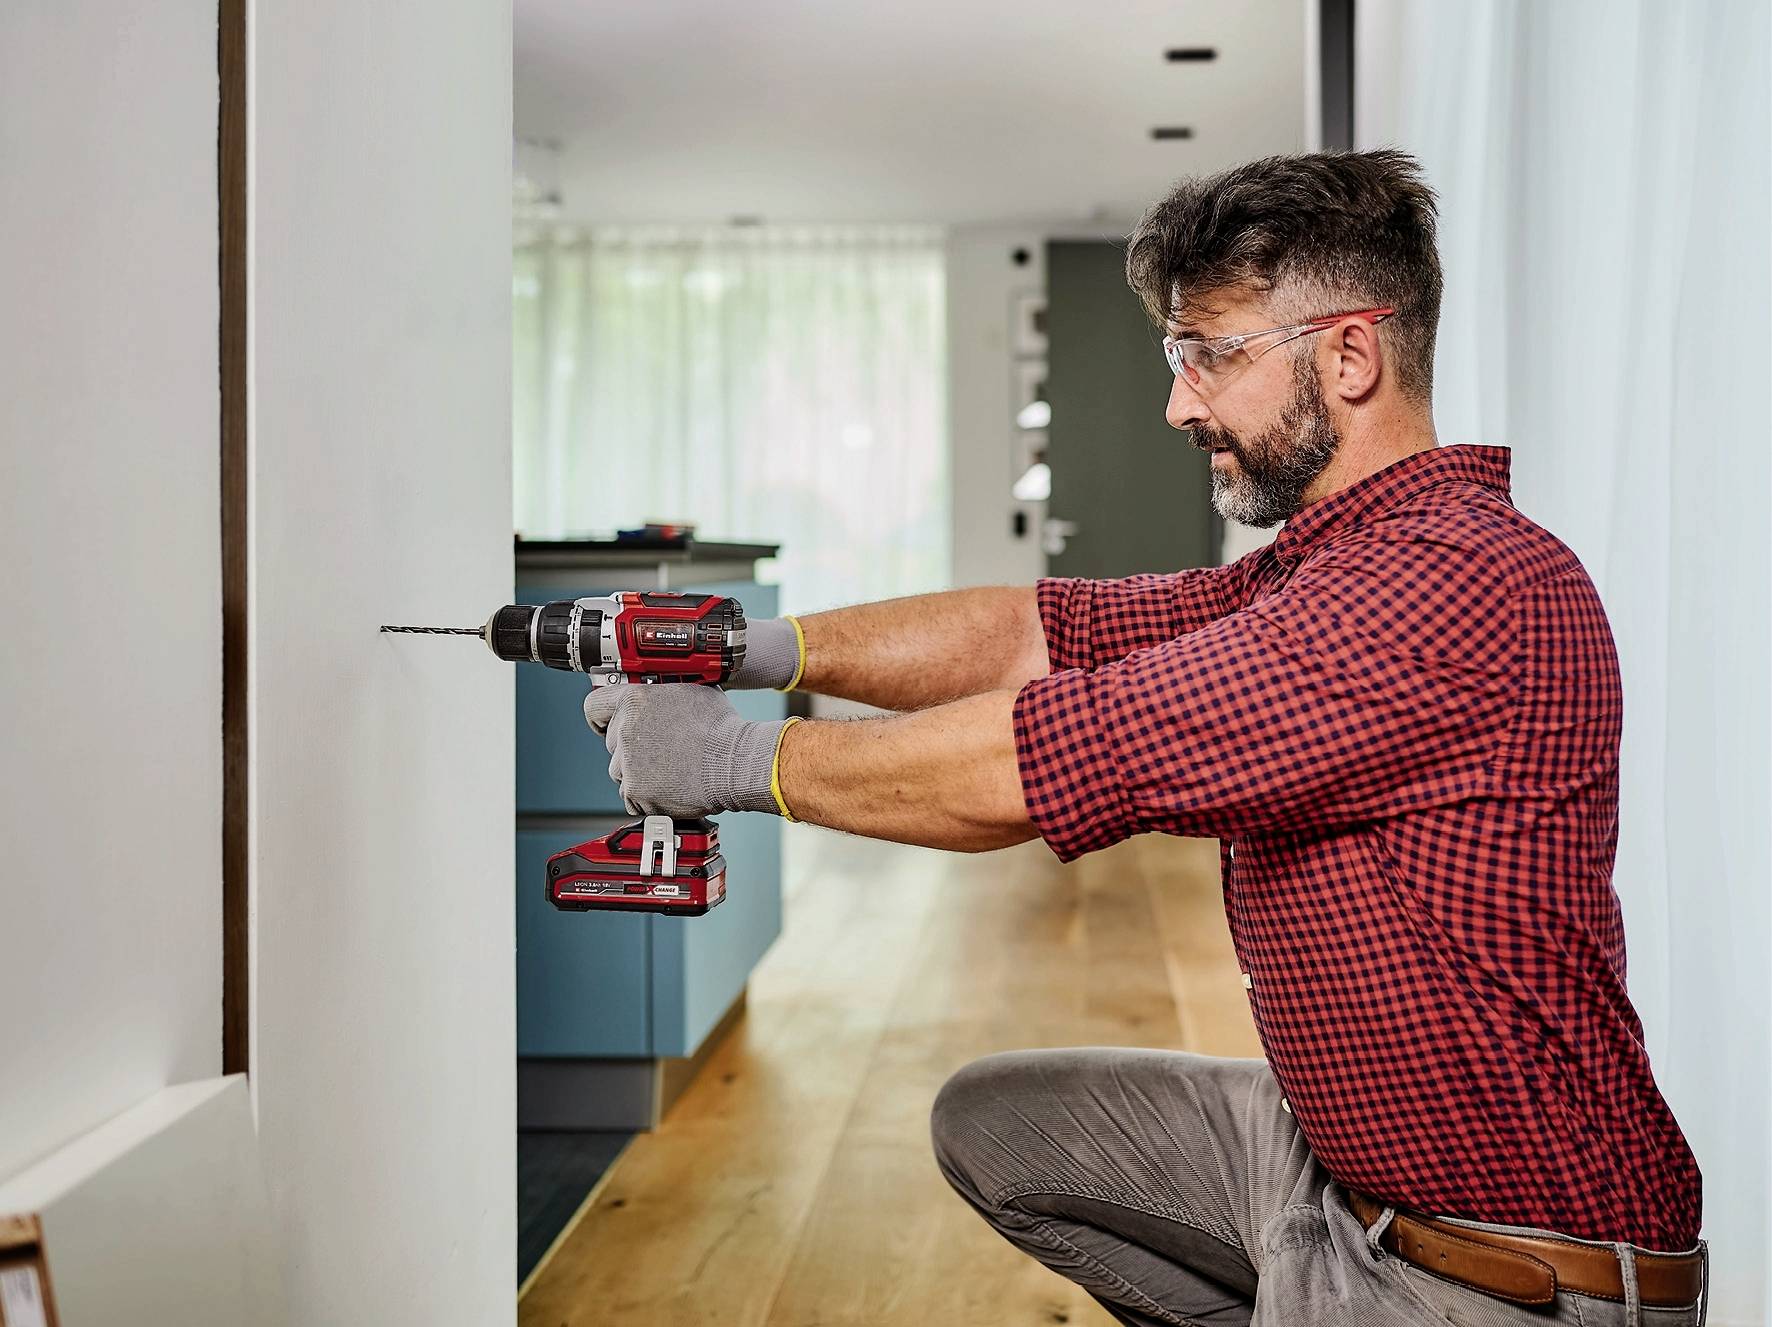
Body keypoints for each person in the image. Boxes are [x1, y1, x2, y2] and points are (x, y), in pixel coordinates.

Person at [582, 150, 1706, 1327]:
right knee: (1001, 1127)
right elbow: (1035, 633)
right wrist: (748, 649)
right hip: (1335, 1174)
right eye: (1180, 357)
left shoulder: (1451, 581)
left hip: (1495, 1269)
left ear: (1349, 354)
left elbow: (1047, 757)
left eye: (1211, 356)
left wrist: (731, 759)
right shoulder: (1319, 568)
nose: (1179, 401)